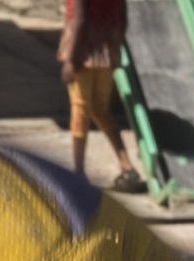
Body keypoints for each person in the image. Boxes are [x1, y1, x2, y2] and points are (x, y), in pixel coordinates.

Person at [62, 0, 143, 194]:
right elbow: (123, 20)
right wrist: (115, 44)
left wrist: (70, 60)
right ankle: (127, 165)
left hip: (83, 52)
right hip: (107, 50)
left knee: (80, 108)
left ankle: (79, 172)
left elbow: (80, 20)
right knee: (99, 108)